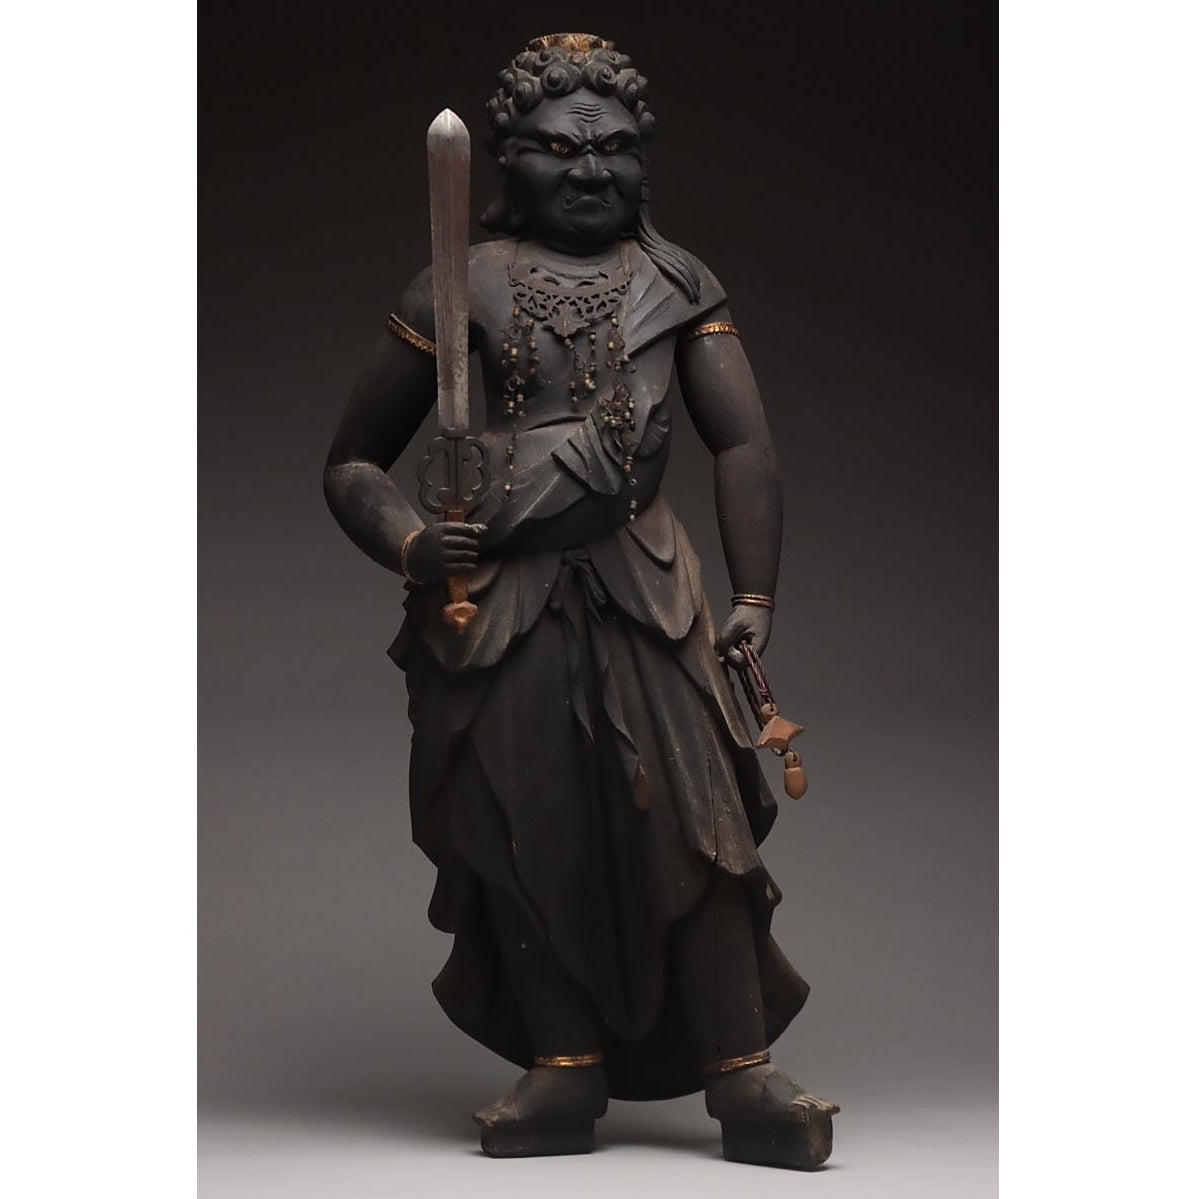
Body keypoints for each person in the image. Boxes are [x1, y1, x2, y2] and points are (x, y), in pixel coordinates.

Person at [323, 32, 837, 1169]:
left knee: (700, 820)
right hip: (496, 599)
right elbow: (353, 463)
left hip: (645, 581)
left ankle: (741, 1067)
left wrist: (754, 591)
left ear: (644, 161)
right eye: (558, 150)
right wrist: (414, 544)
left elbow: (743, 445)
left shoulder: (677, 283)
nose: (591, 171)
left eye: (614, 151)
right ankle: (563, 1063)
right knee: (521, 822)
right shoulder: (459, 284)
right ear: (510, 160)